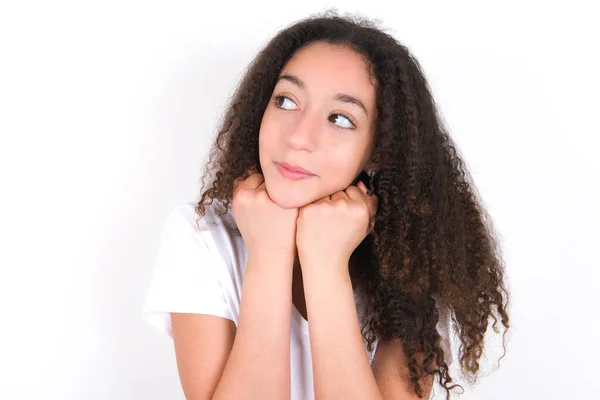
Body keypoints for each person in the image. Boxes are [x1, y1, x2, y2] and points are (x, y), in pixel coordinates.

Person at [142, 10, 510, 400]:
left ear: (379, 153)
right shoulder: (201, 236)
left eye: (340, 118)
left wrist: (325, 264)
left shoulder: (410, 261)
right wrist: (269, 255)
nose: (299, 136)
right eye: (285, 100)